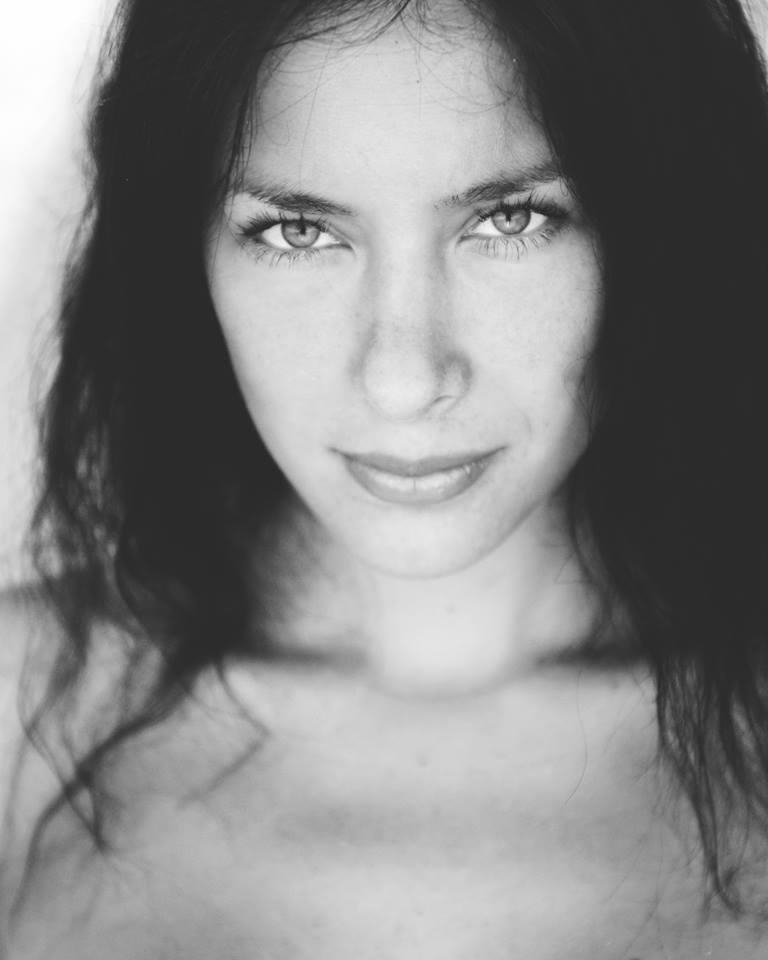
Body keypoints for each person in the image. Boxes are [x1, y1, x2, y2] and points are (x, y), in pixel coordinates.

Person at [2, 0, 768, 955]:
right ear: (183, 252)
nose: (404, 379)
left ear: (659, 225)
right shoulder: (18, 718)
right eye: (297, 232)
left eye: (510, 219)